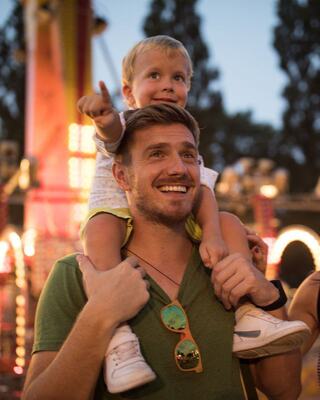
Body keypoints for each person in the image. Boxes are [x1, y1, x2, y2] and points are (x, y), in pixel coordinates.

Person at [77, 35, 309, 393]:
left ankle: (248, 313)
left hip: (187, 226)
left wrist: (216, 236)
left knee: (230, 221)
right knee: (99, 230)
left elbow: (202, 193)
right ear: (128, 90)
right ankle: (118, 336)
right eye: (154, 75)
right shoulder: (124, 123)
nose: (168, 85)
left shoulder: (185, 135)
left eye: (179, 78)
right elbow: (111, 135)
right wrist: (104, 118)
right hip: (113, 211)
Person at [23, 103, 302, 399]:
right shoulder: (76, 275)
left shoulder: (231, 263)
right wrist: (100, 315)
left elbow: (285, 390)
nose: (178, 169)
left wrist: (268, 297)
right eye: (157, 154)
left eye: (188, 155)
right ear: (121, 176)